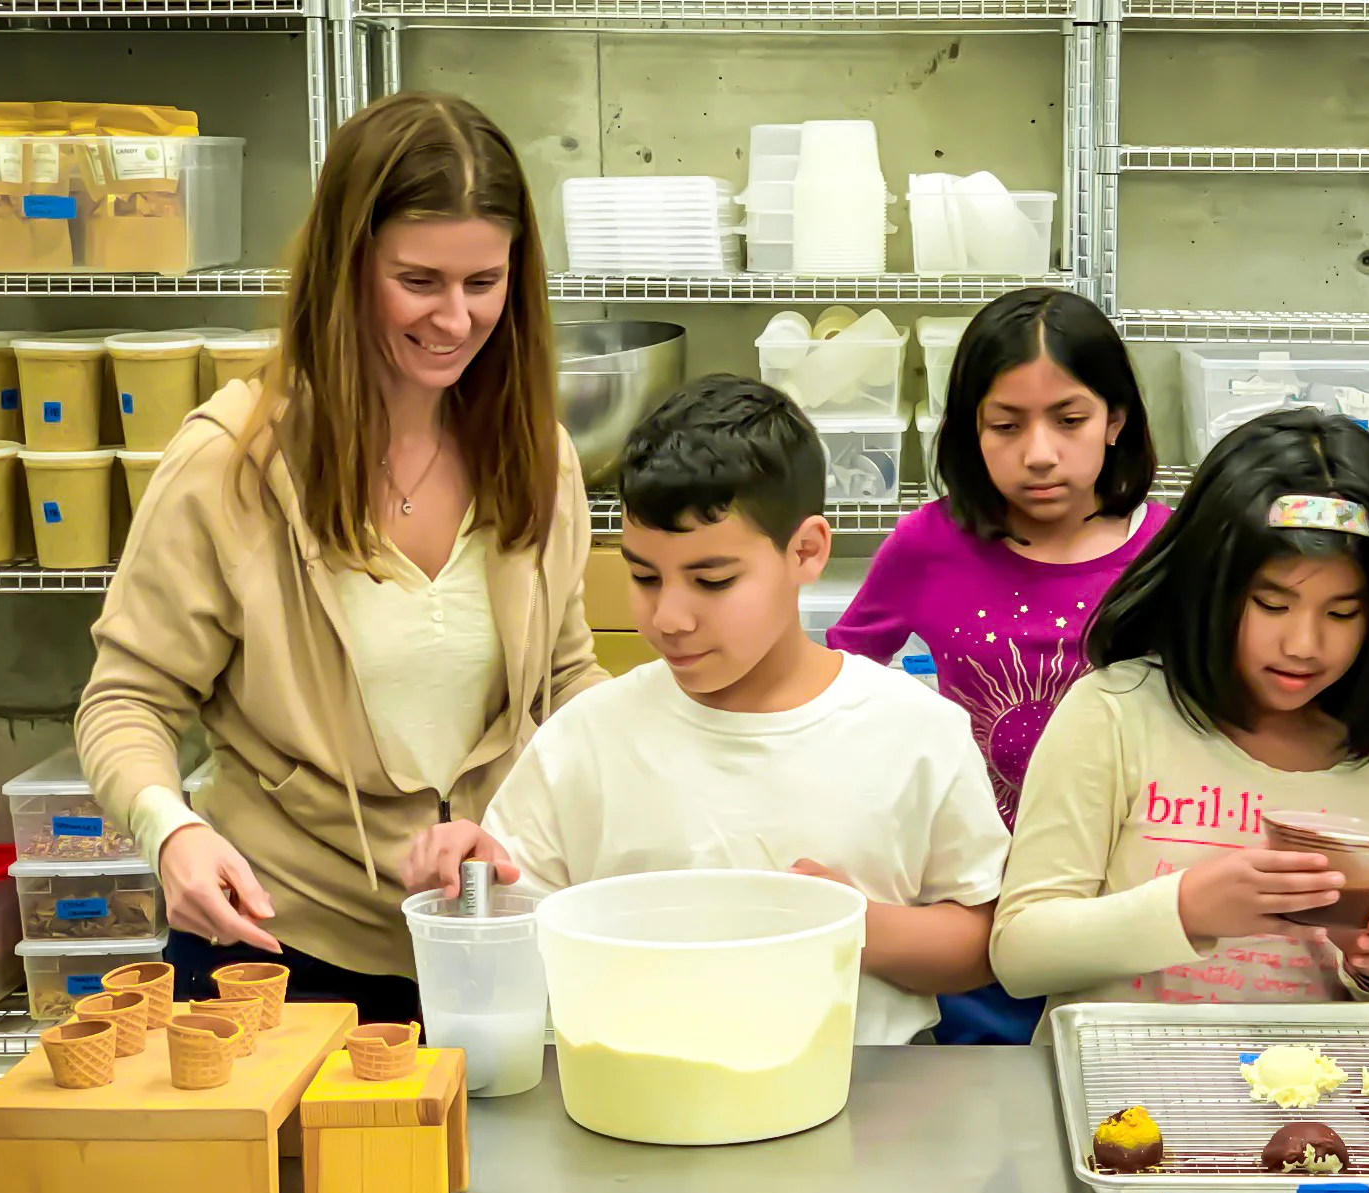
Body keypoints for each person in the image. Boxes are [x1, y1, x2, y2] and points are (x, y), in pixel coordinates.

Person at [76, 91, 603, 1021]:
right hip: (277, 948)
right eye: (419, 281)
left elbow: (563, 685)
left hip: (491, 940)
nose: (454, 319)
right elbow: (129, 698)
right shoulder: (231, 463)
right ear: (346, 266)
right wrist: (172, 833)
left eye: (484, 284)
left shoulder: (537, 457)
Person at [405, 376, 1010, 1046]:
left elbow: (984, 941)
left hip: (860, 1107)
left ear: (806, 551)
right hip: (630, 1108)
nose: (668, 616)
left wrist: (856, 922)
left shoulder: (913, 730)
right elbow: (511, 934)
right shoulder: (585, 739)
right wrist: (474, 886)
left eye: (713, 581)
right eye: (643, 576)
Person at [990, 409, 1369, 1021]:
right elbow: (1019, 952)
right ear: (1208, 586)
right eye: (1272, 603)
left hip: (1314, 1105)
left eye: (1341, 614)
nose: (1304, 644)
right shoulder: (1116, 715)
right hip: (1124, 1098)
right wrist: (1185, 908)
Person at [827, 288, 1169, 1043]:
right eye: (1005, 425)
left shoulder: (1173, 552)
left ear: (1116, 419)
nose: (1038, 451)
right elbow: (835, 682)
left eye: (1069, 419)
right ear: (970, 432)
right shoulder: (927, 544)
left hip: (1115, 911)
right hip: (970, 907)